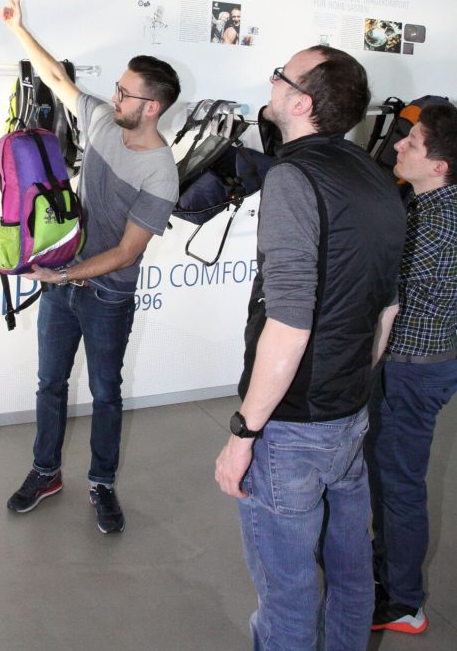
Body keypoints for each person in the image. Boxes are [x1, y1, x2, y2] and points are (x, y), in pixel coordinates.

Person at [215, 46, 406, 651]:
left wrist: (243, 434)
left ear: (301, 103)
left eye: (281, 75)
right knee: (350, 575)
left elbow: (290, 324)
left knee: (289, 596)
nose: (271, 81)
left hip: (292, 427)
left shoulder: (293, 179)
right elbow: (387, 308)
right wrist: (350, 384)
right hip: (349, 412)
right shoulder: (375, 175)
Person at [2, 0, 180, 534]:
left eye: (125, 92)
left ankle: (102, 483)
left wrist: (60, 274)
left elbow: (126, 253)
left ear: (152, 107)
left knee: (105, 393)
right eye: (118, 87)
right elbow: (56, 77)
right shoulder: (102, 120)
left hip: (107, 296)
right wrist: (19, 30)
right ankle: (46, 472)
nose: (114, 96)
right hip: (63, 287)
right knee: (50, 383)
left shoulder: (161, 174)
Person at [366, 102, 457, 635]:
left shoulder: (436, 223)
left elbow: (381, 289)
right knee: (389, 476)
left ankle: (403, 601)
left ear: (439, 166)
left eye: (413, 143)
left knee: (398, 485)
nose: (398, 144)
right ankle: (388, 575)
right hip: (417, 365)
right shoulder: (430, 205)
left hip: (411, 371)